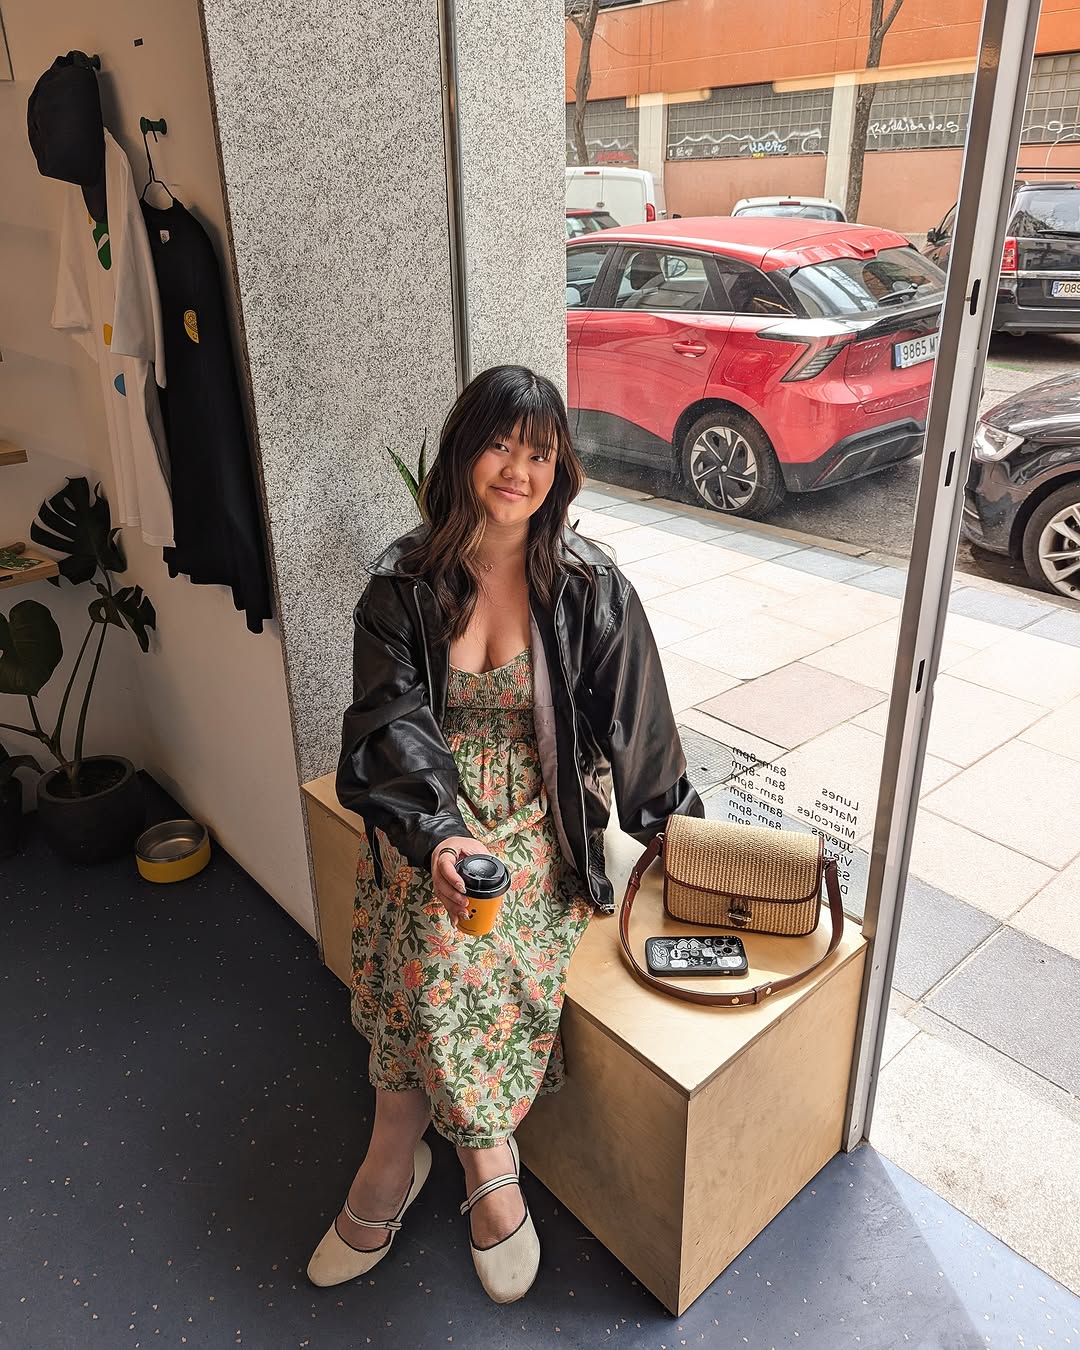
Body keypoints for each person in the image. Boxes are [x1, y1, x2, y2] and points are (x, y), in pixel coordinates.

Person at [308, 365, 701, 1304]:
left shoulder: (590, 586)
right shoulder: (402, 586)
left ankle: (403, 1157)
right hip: (427, 808)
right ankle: (479, 1164)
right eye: (499, 446)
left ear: (559, 468)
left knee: (438, 934)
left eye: (539, 453)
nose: (517, 470)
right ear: (463, 452)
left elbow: (641, 727)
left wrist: (680, 849)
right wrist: (441, 837)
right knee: (432, 898)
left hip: (539, 811)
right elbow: (389, 729)